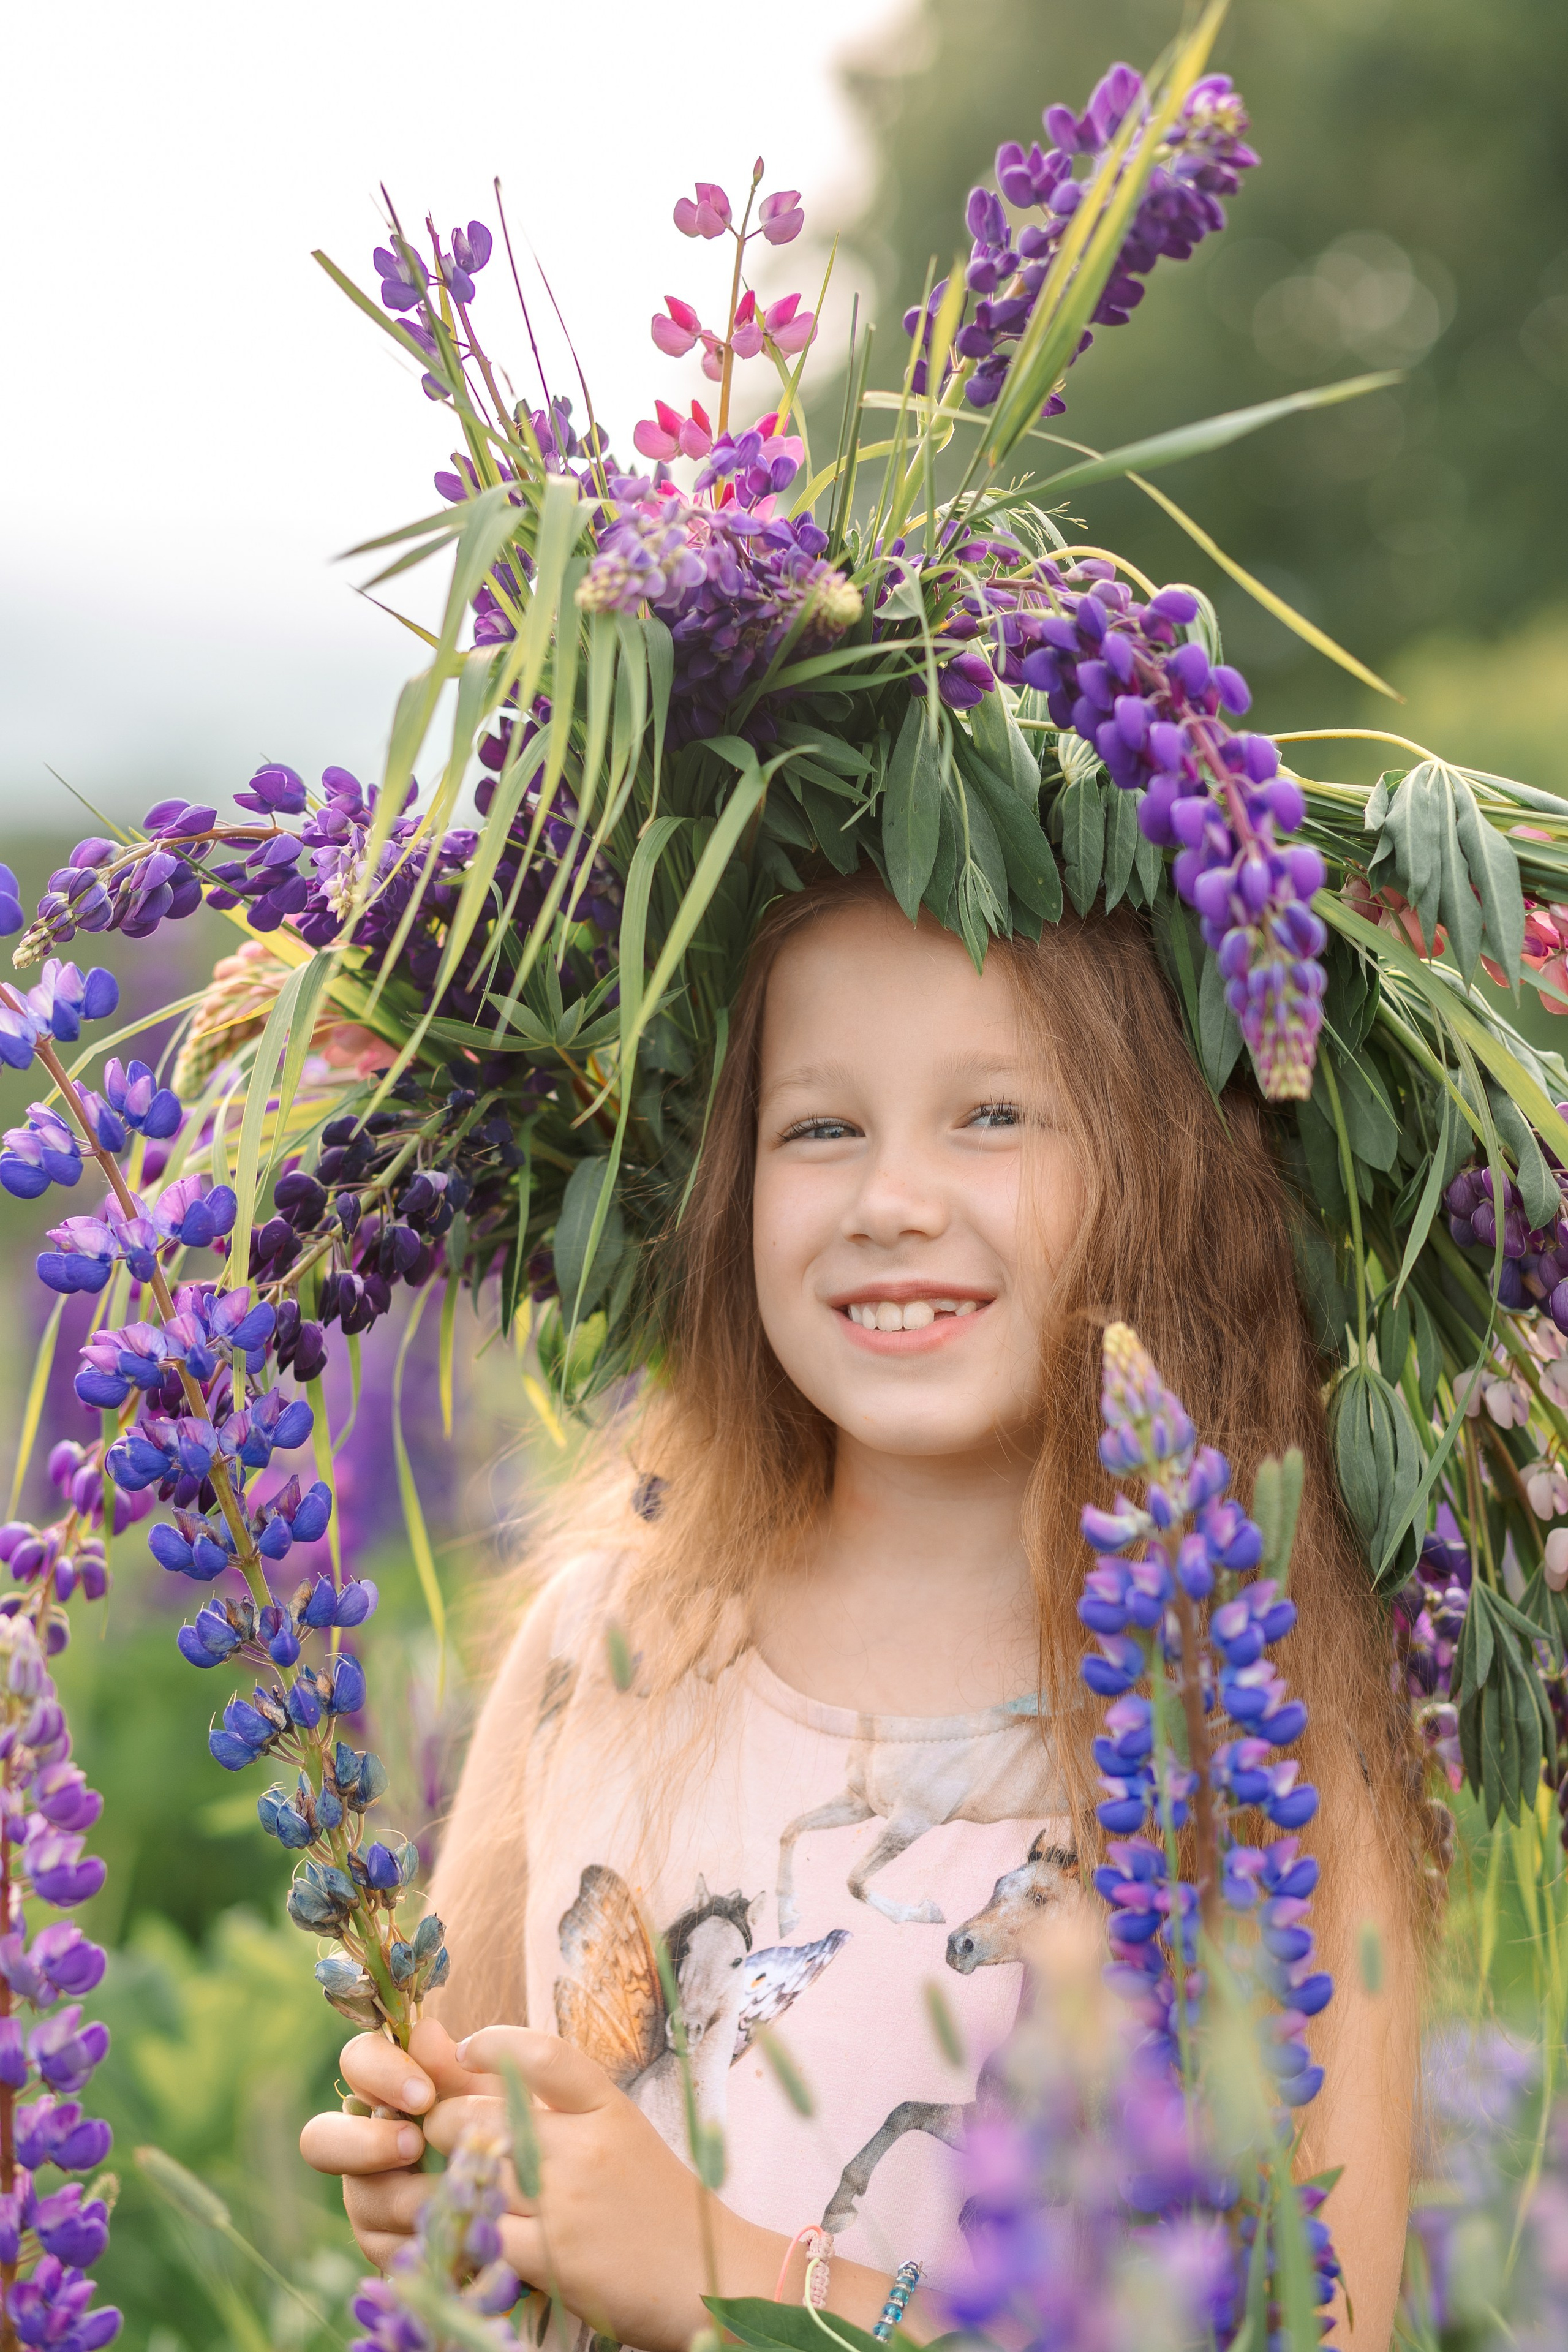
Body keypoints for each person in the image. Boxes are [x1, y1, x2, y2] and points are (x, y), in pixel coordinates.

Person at [301, 875, 1427, 2351]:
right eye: (818, 1127)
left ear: (1163, 1170)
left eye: (993, 1116)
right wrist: (438, 2193)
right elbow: (481, 2150)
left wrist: (722, 2273)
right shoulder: (602, 1651)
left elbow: (1300, 2327)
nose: (891, 1200)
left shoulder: (1251, 1745)